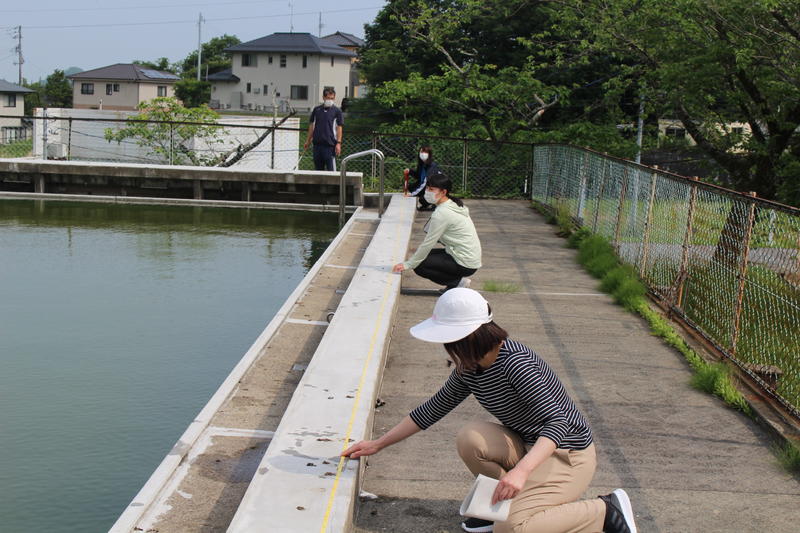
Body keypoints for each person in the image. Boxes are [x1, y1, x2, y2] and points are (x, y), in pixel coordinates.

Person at [342, 288, 638, 533]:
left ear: (466, 337)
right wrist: (378, 444)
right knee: (470, 438)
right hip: (527, 445)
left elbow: (559, 422)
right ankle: (499, 507)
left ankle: (604, 511)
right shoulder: (471, 367)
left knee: (514, 529)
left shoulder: (516, 363)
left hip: (567, 455)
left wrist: (521, 472)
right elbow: (433, 408)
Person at [392, 171, 481, 292]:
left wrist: (408, 264)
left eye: (431, 189)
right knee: (421, 257)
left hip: (464, 262)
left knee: (419, 265)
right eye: (427, 188)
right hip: (467, 257)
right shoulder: (452, 204)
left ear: (443, 192)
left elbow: (428, 243)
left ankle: (457, 283)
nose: (427, 192)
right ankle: (455, 282)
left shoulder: (442, 213)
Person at [303, 88, 343, 171]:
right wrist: (308, 140)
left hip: (330, 146)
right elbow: (312, 126)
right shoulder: (316, 110)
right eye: (328, 98)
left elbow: (339, 127)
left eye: (332, 98)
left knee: (331, 172)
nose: (330, 100)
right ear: (323, 97)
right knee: (318, 171)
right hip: (317, 146)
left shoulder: (337, 111)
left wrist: (338, 143)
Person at [405, 145, 440, 211]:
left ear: (429, 154)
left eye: (425, 152)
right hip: (427, 187)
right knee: (411, 187)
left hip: (434, 190)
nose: (423, 154)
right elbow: (418, 176)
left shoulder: (432, 165)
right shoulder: (421, 164)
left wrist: (412, 194)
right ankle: (427, 201)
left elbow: (425, 182)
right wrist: (410, 171)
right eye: (421, 152)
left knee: (422, 199)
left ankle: (433, 205)